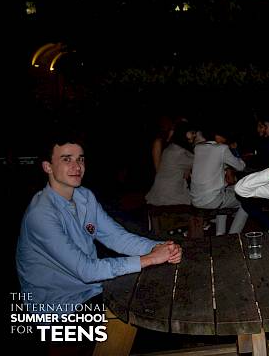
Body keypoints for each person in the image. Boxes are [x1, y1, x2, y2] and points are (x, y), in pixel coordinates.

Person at [16, 134, 182, 352]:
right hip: (58, 310)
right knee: (147, 331)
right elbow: (86, 270)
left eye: (80, 159)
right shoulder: (41, 214)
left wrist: (159, 248)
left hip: (90, 292)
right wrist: (149, 259)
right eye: (67, 159)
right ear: (47, 167)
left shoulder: (84, 196)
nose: (77, 166)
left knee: (159, 311)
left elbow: (116, 237)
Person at [189, 126, 249, 236]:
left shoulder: (198, 147)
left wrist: (227, 168)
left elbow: (213, 163)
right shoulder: (222, 148)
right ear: (218, 136)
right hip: (211, 200)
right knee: (248, 202)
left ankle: (220, 234)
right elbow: (241, 166)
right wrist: (234, 150)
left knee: (224, 194)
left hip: (195, 199)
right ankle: (233, 236)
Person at [145, 120, 199, 206]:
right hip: (169, 193)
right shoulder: (178, 151)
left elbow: (186, 172)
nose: (195, 135)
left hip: (160, 190)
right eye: (192, 132)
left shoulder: (172, 147)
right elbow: (199, 162)